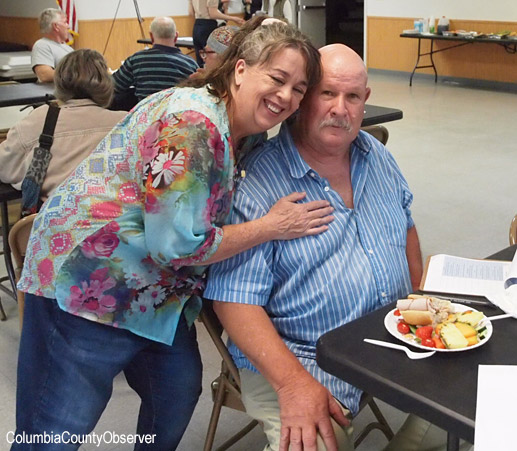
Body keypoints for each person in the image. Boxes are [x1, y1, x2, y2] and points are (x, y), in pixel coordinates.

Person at [12, 17, 331, 451]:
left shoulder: (237, 130)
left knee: (175, 392)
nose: (286, 96)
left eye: (299, 88)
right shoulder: (193, 125)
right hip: (89, 279)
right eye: (277, 79)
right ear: (239, 70)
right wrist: (271, 227)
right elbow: (177, 245)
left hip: (156, 290)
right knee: (56, 425)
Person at [205, 43, 426, 451]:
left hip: (387, 339)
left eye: (353, 96)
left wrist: (424, 308)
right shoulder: (257, 182)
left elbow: (406, 229)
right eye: (327, 93)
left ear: (366, 101)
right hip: (302, 358)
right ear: (303, 98)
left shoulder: (376, 155)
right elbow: (233, 302)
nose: (340, 109)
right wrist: (293, 383)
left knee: (489, 398)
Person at [0, 49, 126, 203]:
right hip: (118, 221)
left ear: (59, 82)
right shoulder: (127, 123)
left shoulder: (39, 120)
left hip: (56, 222)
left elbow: (5, 169)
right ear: (107, 84)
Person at [111, 16, 199, 110]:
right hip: (176, 119)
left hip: (145, 119)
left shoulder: (136, 60)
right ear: (176, 36)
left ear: (151, 36)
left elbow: (113, 86)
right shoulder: (190, 64)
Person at [189, 0, 245, 66]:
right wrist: (233, 18)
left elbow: (191, 12)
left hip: (197, 25)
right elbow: (213, 14)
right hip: (208, 25)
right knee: (211, 59)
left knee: (200, 60)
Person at [31, 8, 74, 83]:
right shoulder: (42, 45)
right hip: (54, 93)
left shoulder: (68, 48)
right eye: (65, 22)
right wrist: (76, 75)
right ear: (56, 26)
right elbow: (44, 75)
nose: (68, 26)